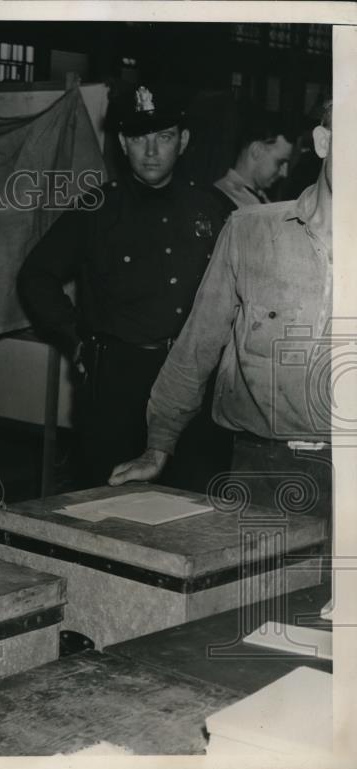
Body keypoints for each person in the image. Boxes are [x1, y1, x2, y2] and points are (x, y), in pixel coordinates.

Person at [110, 102, 333, 524]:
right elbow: (197, 346)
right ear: (324, 142)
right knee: (262, 588)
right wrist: (160, 444)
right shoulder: (250, 231)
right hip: (262, 471)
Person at [18, 84, 232, 489]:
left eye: (163, 137)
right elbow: (35, 276)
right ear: (121, 142)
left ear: (183, 141)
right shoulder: (96, 209)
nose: (151, 151)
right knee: (108, 503)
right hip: (116, 384)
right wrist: (75, 339)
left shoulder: (214, 209)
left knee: (192, 503)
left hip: (193, 385)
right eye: (138, 138)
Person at [212, 107, 294, 209]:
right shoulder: (220, 200)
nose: (284, 173)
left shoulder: (260, 198)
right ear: (256, 151)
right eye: (280, 162)